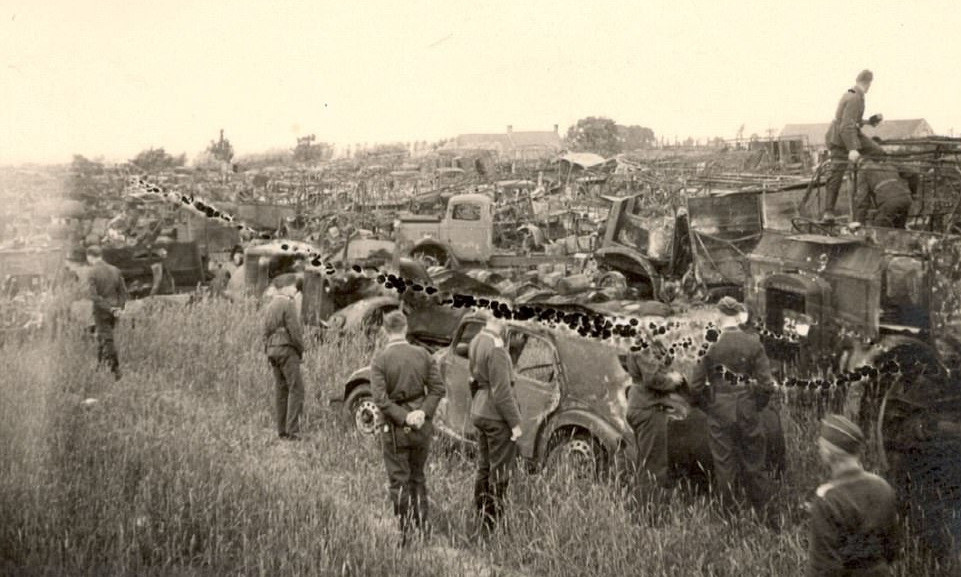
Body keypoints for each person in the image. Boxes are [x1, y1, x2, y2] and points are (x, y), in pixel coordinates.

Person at [691, 296, 776, 518]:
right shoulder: (753, 343)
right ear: (738, 316)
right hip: (747, 406)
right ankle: (763, 514)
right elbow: (767, 385)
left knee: (724, 465)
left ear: (719, 316)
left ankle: (729, 517)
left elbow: (696, 386)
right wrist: (756, 405)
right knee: (755, 464)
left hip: (719, 408)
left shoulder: (709, 345)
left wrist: (709, 407)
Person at [369, 311, 446, 546]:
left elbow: (380, 400)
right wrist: (421, 412)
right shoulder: (423, 354)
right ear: (405, 327)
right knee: (418, 477)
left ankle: (406, 535)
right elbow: (437, 389)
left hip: (394, 428)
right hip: (422, 426)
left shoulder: (380, 360)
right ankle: (423, 529)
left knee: (398, 481)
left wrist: (404, 417)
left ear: (385, 329)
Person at [808, 414, 899, 576]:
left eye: (820, 446)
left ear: (829, 453)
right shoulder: (883, 487)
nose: (818, 449)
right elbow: (892, 550)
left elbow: (823, 569)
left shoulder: (827, 498)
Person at [469, 309, 523, 538]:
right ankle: (492, 528)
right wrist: (515, 424)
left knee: (483, 467)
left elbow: (473, 379)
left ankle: (480, 519)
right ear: (501, 320)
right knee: (500, 472)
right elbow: (502, 393)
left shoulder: (476, 340)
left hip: (480, 410)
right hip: (496, 416)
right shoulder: (497, 348)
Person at [821, 69, 886, 221]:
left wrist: (869, 121)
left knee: (877, 152)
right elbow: (846, 126)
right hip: (840, 139)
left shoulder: (853, 93)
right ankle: (829, 212)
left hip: (847, 134)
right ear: (868, 83)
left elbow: (851, 121)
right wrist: (852, 149)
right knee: (837, 171)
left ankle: (866, 187)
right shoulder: (855, 97)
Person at [625, 360, 690, 490]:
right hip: (648, 408)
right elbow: (651, 378)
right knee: (653, 466)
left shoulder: (640, 344)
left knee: (645, 462)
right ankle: (648, 507)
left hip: (639, 405)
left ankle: (639, 504)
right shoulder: (645, 346)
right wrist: (673, 380)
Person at [262, 273, 306, 440]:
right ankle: (293, 431)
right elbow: (295, 331)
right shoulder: (288, 304)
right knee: (297, 389)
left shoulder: (270, 305)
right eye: (294, 287)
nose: (295, 290)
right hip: (287, 350)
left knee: (281, 391)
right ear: (286, 287)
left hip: (272, 351)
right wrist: (301, 350)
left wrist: (267, 349)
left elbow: (264, 332)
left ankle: (281, 430)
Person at [85, 245, 128, 379]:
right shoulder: (115, 270)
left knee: (107, 338)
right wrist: (119, 308)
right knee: (103, 336)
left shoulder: (92, 272)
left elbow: (93, 296)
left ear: (90, 257)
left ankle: (116, 371)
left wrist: (109, 308)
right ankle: (99, 366)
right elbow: (123, 293)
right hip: (114, 311)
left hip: (102, 310)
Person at [853, 155, 919, 229]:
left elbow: (862, 199)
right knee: (899, 229)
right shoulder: (889, 163)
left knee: (879, 228)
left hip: (889, 202)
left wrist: (859, 221)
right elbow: (913, 174)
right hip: (906, 199)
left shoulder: (864, 171)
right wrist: (913, 193)